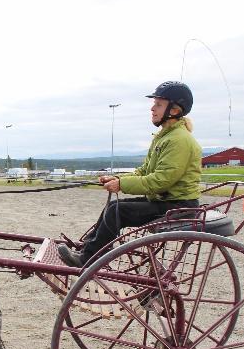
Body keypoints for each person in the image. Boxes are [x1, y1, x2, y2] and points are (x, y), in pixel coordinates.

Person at [58, 81, 202, 267]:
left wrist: (122, 185)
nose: (152, 108)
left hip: (178, 206)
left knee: (117, 211)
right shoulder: (165, 136)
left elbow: (161, 181)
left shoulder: (179, 140)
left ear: (174, 110)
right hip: (166, 201)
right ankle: (89, 248)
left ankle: (88, 259)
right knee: (114, 206)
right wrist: (118, 179)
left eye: (158, 104)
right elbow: (144, 171)